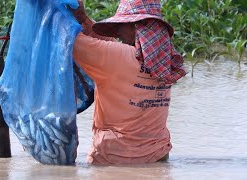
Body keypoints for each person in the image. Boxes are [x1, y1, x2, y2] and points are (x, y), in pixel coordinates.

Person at [71, 0, 186, 165]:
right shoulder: (164, 60)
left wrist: (65, 15)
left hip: (114, 159)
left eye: (121, 24)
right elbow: (111, 48)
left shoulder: (117, 57)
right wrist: (84, 19)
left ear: (138, 27)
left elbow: (73, 41)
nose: (117, 31)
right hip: (157, 157)